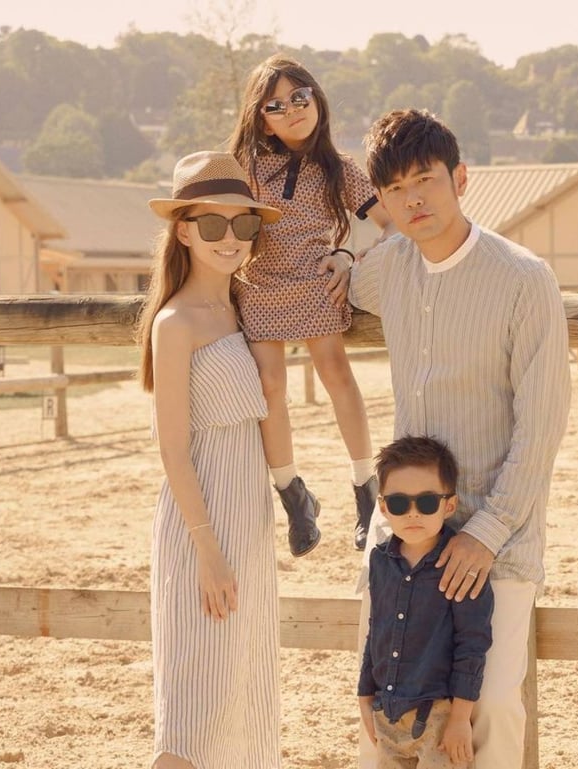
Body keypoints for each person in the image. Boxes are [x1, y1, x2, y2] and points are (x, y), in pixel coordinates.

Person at [345, 109, 572, 769]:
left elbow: (544, 421)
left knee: (493, 708)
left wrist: (488, 529)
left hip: (491, 543)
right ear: (383, 200)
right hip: (404, 540)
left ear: (461, 178)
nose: (414, 199)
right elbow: (340, 280)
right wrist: (338, 251)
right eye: (396, 189)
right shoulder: (388, 269)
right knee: (382, 715)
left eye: (427, 180)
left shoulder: (524, 278)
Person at [137, 151, 284, 769]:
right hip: (204, 529)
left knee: (241, 694)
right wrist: (208, 550)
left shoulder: (242, 308)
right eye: (214, 225)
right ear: (184, 230)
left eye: (244, 225)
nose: (231, 239)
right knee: (195, 712)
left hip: (248, 518)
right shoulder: (175, 323)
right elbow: (173, 447)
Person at [228, 55, 395, 556]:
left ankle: (366, 493)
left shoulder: (337, 168)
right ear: (262, 118)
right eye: (276, 105)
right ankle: (294, 498)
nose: (292, 111)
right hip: (258, 284)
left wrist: (348, 256)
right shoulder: (244, 167)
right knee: (270, 388)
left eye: (300, 98)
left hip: (315, 281)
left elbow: (390, 222)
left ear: (316, 98)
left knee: (337, 375)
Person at [358, 435, 494, 768]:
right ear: (384, 507)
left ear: (449, 505)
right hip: (387, 712)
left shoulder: (461, 567)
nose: (414, 513)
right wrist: (365, 694)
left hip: (440, 718)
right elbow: (376, 630)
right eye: (401, 503)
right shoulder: (380, 561)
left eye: (428, 502)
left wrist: (461, 718)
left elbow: (471, 644)